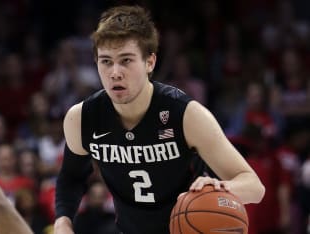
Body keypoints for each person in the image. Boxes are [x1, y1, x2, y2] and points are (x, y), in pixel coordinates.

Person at [54, 5, 265, 234]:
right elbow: (71, 178)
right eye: (106, 61)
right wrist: (63, 220)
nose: (115, 72)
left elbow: (254, 187)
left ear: (150, 62)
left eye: (126, 60)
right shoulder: (82, 118)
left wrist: (221, 188)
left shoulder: (186, 114)